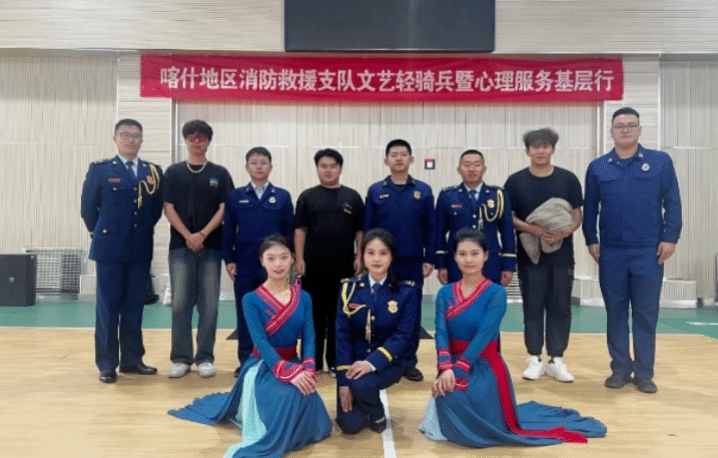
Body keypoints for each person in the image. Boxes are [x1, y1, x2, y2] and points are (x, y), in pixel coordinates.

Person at [419, 228, 606, 447]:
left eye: (474, 253)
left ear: (486, 256)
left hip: (484, 366)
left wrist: (460, 369)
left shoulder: (496, 293)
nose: (468, 260)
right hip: (451, 365)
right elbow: (441, 333)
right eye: (462, 254)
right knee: (448, 396)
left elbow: (484, 336)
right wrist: (445, 369)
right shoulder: (445, 293)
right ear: (454, 257)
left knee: (458, 398)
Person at [168, 235, 332, 458]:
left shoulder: (303, 297)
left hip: (292, 361)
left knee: (307, 391)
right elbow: (261, 342)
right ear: (262, 261)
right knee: (289, 396)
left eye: (284, 257)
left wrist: (309, 370)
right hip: (263, 365)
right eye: (271, 258)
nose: (278, 264)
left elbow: (310, 337)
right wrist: (287, 372)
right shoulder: (251, 299)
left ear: (293, 258)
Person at [583, 107, 682, 394]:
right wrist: (591, 239)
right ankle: (620, 369)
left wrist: (670, 238)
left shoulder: (660, 162)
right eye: (619, 126)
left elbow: (673, 202)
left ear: (639, 130)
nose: (625, 130)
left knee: (645, 313)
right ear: (611, 132)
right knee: (615, 311)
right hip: (611, 252)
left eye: (630, 125)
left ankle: (644, 373)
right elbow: (590, 208)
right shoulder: (598, 167)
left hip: (648, 251)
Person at [80, 119, 163, 383]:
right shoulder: (101, 170)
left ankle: (132, 359)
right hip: (109, 248)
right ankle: (107, 363)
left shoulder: (153, 172)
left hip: (139, 248)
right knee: (108, 306)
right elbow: (88, 209)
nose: (130, 140)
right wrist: (102, 233)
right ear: (114, 138)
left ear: (141, 141)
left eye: (136, 136)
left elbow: (155, 210)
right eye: (125, 135)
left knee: (134, 306)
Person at [504, 128, 583, 383]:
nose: (540, 151)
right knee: (533, 305)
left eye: (545, 146)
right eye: (535, 147)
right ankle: (534, 358)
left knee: (560, 306)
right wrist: (532, 229)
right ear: (528, 151)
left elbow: (577, 215)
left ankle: (556, 359)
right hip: (530, 257)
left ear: (553, 149)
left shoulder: (568, 179)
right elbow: (509, 217)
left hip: (562, 256)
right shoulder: (515, 181)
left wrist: (564, 232)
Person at [163, 120, 234, 378]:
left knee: (209, 305)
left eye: (201, 137)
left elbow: (224, 208)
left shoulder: (220, 174)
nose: (196, 141)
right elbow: (168, 208)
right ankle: (181, 358)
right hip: (180, 247)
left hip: (211, 247)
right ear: (185, 140)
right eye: (191, 137)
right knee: (180, 303)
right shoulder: (173, 172)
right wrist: (188, 236)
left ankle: (205, 357)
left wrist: (203, 234)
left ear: (208, 141)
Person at [335, 228, 419, 434]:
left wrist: (371, 363)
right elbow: (342, 335)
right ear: (362, 256)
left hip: (388, 363)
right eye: (370, 253)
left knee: (362, 385)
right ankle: (369, 403)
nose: (377, 259)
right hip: (354, 363)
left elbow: (402, 335)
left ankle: (376, 412)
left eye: (383, 253)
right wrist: (343, 382)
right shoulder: (349, 289)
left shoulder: (406, 292)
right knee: (350, 425)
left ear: (392, 256)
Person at [364, 139, 434, 382]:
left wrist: (429, 258)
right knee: (381, 311)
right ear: (386, 160)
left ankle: (408, 362)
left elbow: (431, 227)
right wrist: (368, 258)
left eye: (403, 154)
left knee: (411, 314)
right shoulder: (376, 190)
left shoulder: (423, 190)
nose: (399, 158)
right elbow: (368, 228)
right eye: (394, 155)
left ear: (411, 159)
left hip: (413, 262)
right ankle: (382, 360)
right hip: (382, 263)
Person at [222, 147, 294, 376]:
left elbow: (289, 232)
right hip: (245, 264)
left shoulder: (282, 196)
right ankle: (247, 360)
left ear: (270, 167)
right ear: (247, 167)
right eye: (254, 162)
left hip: (275, 268)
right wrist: (229, 259)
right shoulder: (235, 196)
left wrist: (288, 261)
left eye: (263, 162)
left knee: (275, 312)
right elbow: (228, 230)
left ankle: (275, 360)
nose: (259, 167)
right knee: (246, 313)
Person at [294, 149, 364, 375]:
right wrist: (299, 258)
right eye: (323, 166)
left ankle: (335, 361)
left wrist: (360, 256)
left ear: (340, 169)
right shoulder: (307, 197)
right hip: (313, 267)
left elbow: (360, 231)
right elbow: (300, 229)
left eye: (333, 166)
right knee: (313, 316)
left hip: (343, 266)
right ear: (317, 169)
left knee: (339, 316)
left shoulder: (353, 197)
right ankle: (312, 361)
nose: (328, 170)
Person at [435, 149, 516, 286]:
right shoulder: (447, 196)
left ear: (484, 169)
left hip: (490, 263)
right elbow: (439, 233)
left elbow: (507, 232)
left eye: (477, 165)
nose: (471, 169)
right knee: (459, 299)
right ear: (459, 169)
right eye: (467, 165)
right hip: (457, 264)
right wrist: (441, 265)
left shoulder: (498, 195)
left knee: (489, 298)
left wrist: (508, 265)